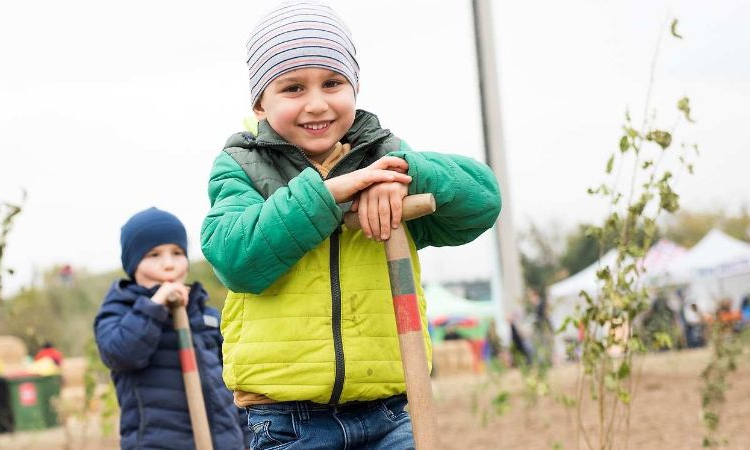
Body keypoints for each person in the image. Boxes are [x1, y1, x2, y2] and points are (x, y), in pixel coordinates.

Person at [199, 3, 502, 448]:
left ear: (355, 86)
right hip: (288, 419)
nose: (316, 103)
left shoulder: (385, 155)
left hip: (392, 409)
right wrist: (331, 194)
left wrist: (403, 174)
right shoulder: (241, 167)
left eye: (333, 82)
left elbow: (483, 202)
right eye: (293, 88)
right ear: (260, 103)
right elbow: (236, 259)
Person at [95, 208, 247, 450]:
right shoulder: (121, 308)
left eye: (177, 253)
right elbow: (120, 353)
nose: (168, 264)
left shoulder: (205, 314)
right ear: (133, 264)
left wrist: (245, 438)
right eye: (154, 255)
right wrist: (155, 307)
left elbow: (232, 384)